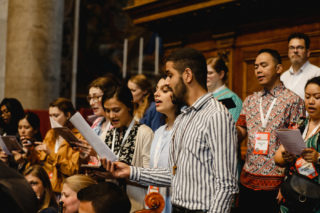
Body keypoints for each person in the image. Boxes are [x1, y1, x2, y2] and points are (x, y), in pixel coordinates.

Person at [103, 47, 238, 212]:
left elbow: (227, 185)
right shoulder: (183, 117)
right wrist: (131, 171)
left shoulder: (216, 115)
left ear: (187, 75)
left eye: (170, 75)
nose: (167, 82)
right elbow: (174, 175)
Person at [236, 49, 305, 213]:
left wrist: (287, 184)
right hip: (247, 181)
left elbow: (295, 149)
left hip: (276, 186)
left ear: (279, 68)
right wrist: (227, 129)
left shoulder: (293, 101)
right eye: (255, 67)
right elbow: (240, 132)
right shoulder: (250, 100)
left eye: (264, 65)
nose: (258, 70)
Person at [102, 83, 154, 212]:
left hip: (136, 204)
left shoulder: (145, 133)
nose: (111, 116)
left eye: (116, 110)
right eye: (107, 110)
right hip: (108, 204)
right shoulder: (106, 134)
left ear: (129, 107)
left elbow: (151, 177)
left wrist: (122, 175)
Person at [274, 76, 320, 213]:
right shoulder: (300, 125)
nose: (311, 101)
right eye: (307, 96)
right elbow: (277, 158)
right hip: (293, 193)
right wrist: (286, 157)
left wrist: (318, 157)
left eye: (317, 97)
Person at [148, 76, 183, 213]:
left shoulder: (184, 130)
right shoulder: (158, 132)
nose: (156, 93)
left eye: (164, 90)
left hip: (177, 201)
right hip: (155, 199)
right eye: (156, 89)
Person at [36, 98, 84, 193]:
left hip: (67, 188)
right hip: (49, 187)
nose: (52, 119)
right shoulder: (50, 133)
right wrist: (32, 152)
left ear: (68, 115)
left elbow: (73, 170)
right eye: (50, 116)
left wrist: (51, 153)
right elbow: (42, 162)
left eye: (56, 115)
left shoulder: (78, 136)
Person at [281, 32, 320, 100]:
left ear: (307, 52)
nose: (295, 51)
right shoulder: (283, 77)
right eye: (292, 48)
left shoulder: (317, 73)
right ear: (288, 52)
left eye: (300, 47)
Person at [206, 55, 242, 122]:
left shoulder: (231, 98)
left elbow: (232, 126)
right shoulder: (203, 96)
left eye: (210, 73)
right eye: (204, 73)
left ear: (221, 74)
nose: (206, 76)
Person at [87, 76, 119, 140]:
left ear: (108, 97)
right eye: (90, 98)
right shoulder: (97, 121)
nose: (91, 103)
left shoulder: (117, 124)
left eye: (96, 97)